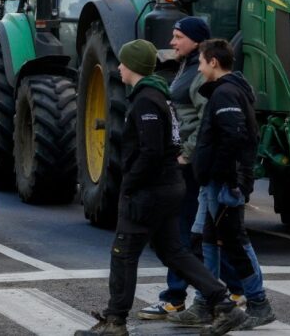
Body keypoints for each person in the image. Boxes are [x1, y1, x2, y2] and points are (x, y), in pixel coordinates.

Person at [75, 40, 248, 336]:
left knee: (123, 253)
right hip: (167, 186)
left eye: (123, 62)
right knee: (174, 252)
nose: (119, 67)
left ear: (133, 66)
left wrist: (129, 184)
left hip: (149, 191)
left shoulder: (146, 101)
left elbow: (152, 151)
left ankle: (115, 321)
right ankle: (224, 304)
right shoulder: (157, 96)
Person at [190, 38, 275, 331]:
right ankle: (206, 302)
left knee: (235, 241)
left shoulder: (225, 94)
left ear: (214, 62)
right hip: (221, 181)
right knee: (211, 241)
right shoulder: (229, 91)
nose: (199, 69)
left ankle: (259, 303)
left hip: (224, 184)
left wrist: (228, 181)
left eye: (201, 62)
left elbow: (233, 138)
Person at [138, 17, 210, 320]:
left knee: (183, 233)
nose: (172, 42)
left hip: (190, 165)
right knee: (192, 232)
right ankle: (226, 291)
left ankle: (178, 296)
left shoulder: (200, 72)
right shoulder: (186, 65)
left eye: (178, 36)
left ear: (195, 40)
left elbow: (207, 120)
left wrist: (187, 154)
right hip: (186, 161)